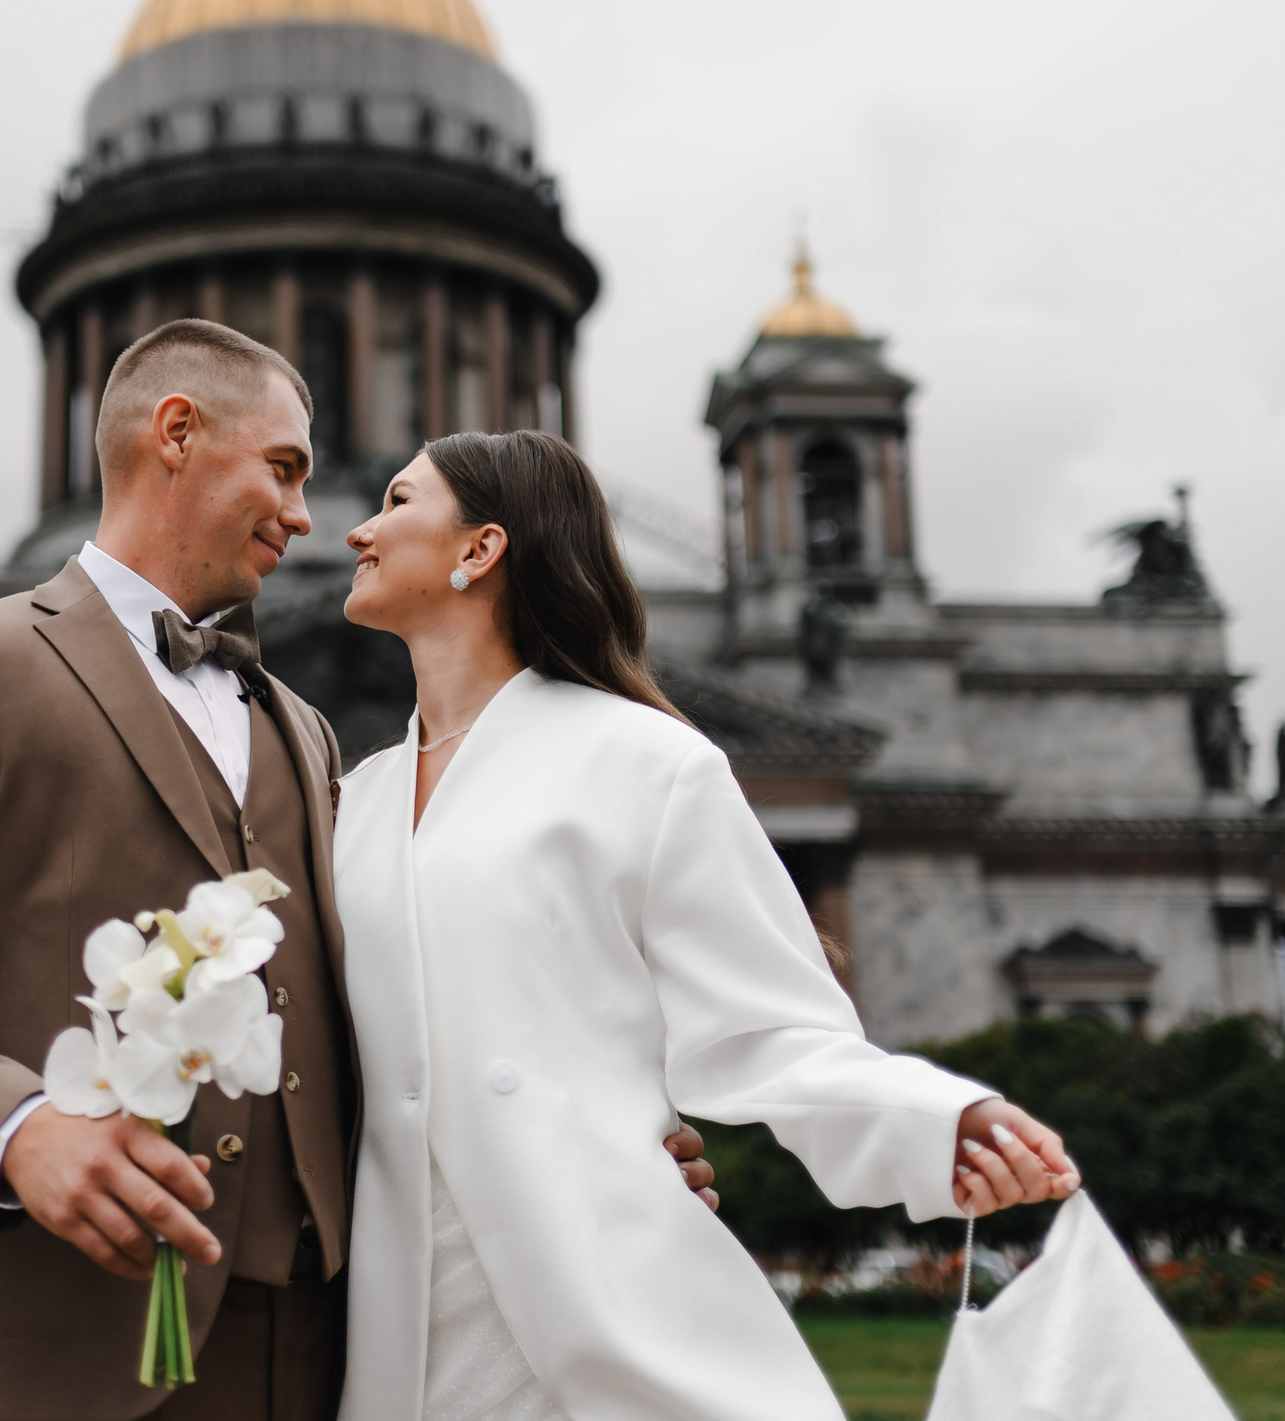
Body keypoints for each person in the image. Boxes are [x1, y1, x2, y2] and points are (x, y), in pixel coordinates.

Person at [0, 324, 714, 1421]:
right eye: (283, 470)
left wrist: (593, 1142)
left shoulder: (310, 732)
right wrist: (17, 1130)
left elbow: (383, 1017)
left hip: (326, 1350)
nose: (304, 517)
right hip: (70, 1337)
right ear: (175, 433)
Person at [333, 430, 1080, 1421]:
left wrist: (937, 1123)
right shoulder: (352, 798)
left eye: (394, 502)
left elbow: (766, 1028)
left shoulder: (647, 764)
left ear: (479, 550)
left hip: (598, 1300)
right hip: (388, 1328)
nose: (354, 529)